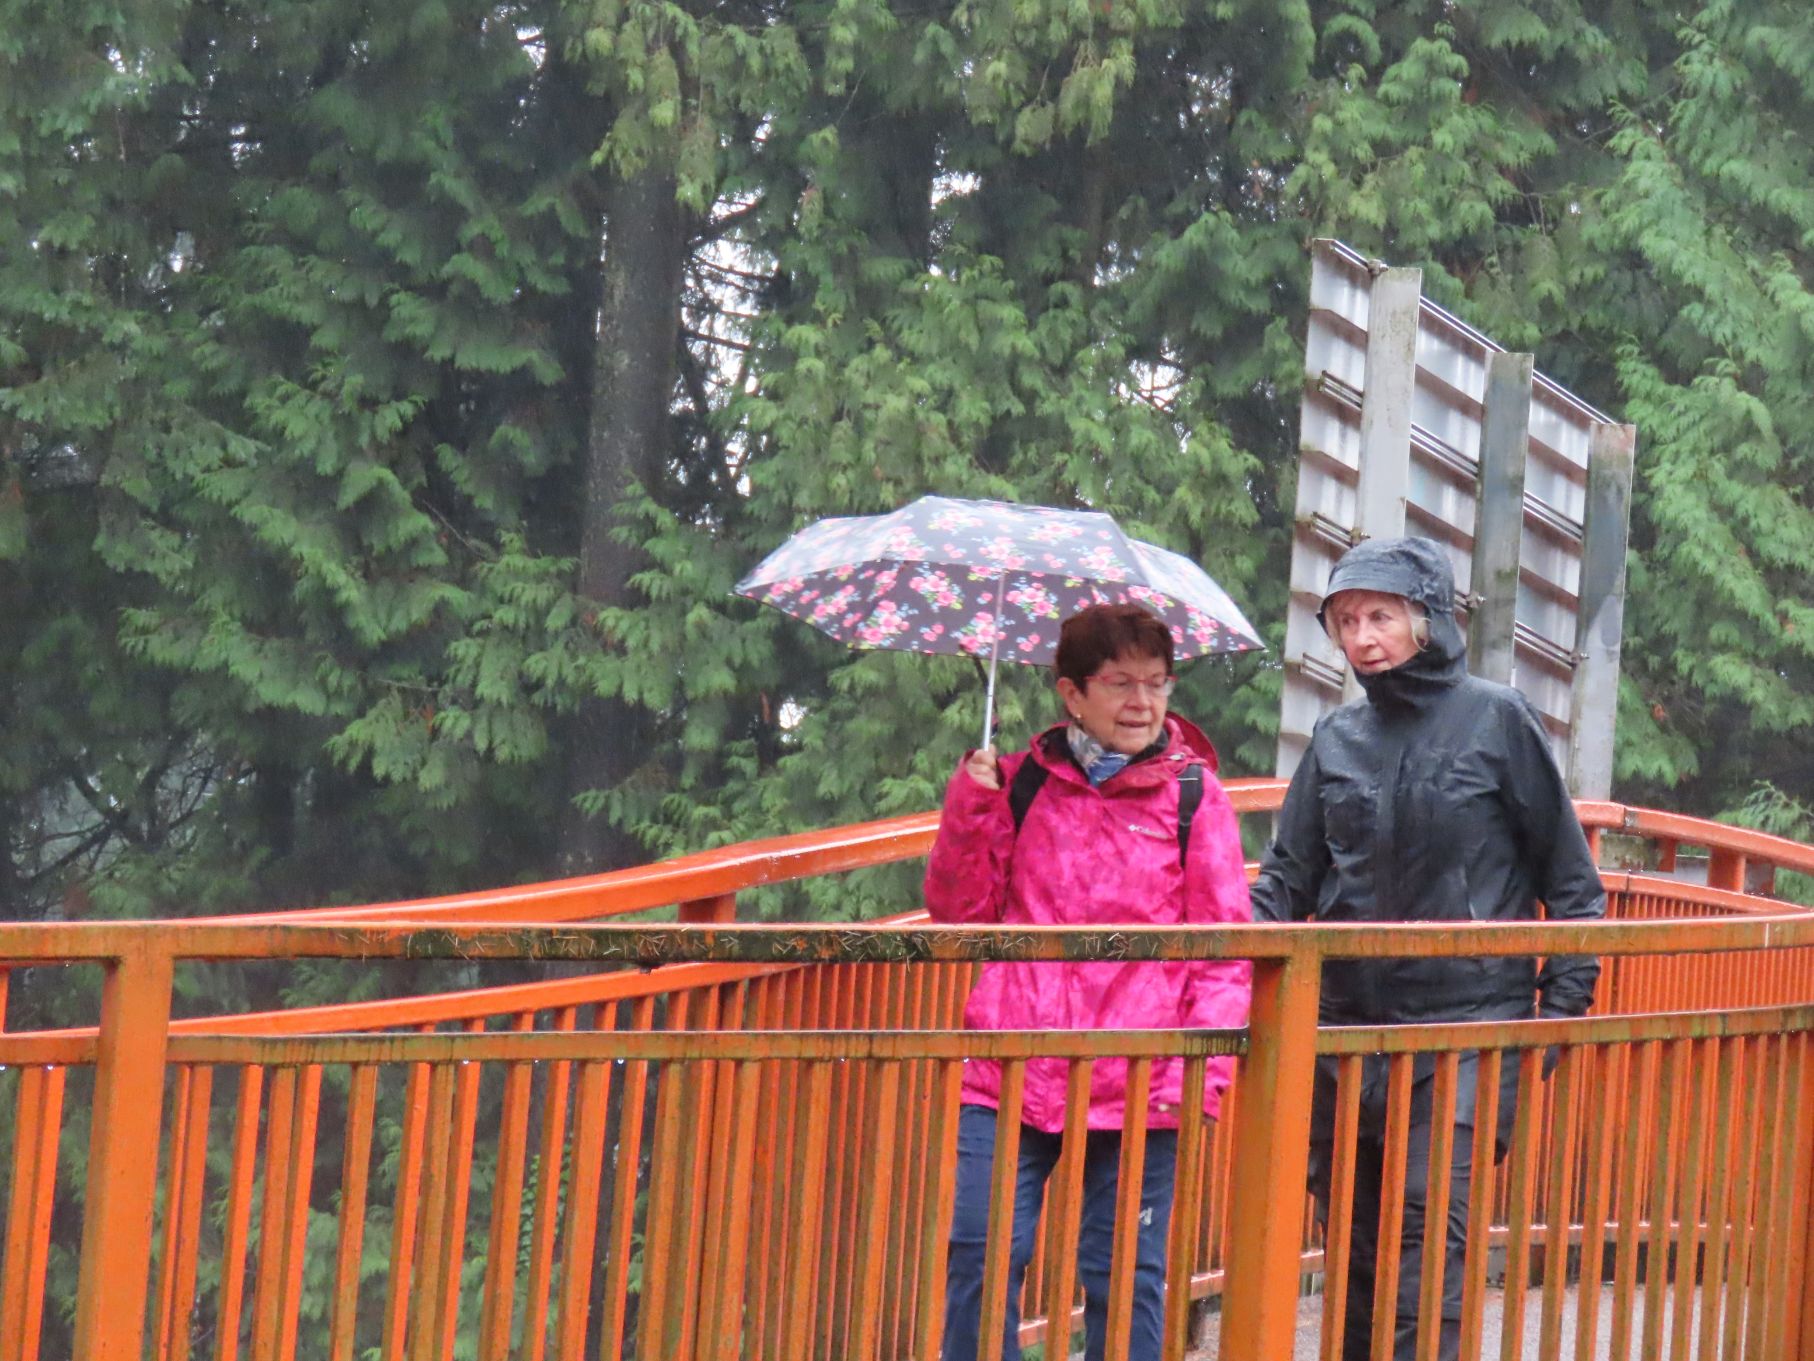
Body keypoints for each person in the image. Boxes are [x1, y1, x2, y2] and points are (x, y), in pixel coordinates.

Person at [1250, 536, 1605, 1361]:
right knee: (1352, 1240)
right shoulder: (1336, 738)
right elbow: (1286, 882)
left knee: (1427, 1230)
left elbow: (1573, 881)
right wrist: (1212, 937)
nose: (1363, 637)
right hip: (1342, 1034)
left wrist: (1548, 1026)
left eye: (1380, 615)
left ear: (1427, 618)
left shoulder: (1497, 717)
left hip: (1466, 1031)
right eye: (1345, 621)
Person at [924, 602, 1252, 1361]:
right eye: (1119, 684)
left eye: (1158, 683)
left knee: (1122, 1271)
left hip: (1143, 1068)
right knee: (980, 1249)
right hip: (1014, 1056)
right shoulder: (1020, 783)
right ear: (1071, 693)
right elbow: (961, 911)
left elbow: (1226, 946)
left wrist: (1204, 1070)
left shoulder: (1194, 797)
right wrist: (971, 804)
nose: (1143, 703)